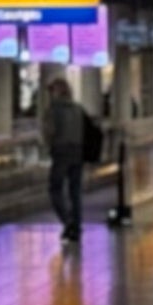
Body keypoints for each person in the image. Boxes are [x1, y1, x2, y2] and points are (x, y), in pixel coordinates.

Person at [37, 80, 98, 248]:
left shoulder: (53, 111)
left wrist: (49, 144)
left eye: (52, 91)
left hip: (61, 153)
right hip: (77, 153)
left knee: (55, 189)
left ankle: (68, 222)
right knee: (75, 191)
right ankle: (76, 227)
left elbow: (48, 133)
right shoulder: (78, 109)